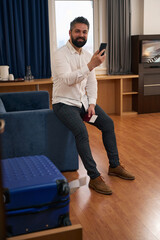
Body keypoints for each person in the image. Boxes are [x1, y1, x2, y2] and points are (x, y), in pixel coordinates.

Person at [52, 16, 135, 195]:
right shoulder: (60, 54)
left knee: (108, 124)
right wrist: (91, 65)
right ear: (70, 33)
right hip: (64, 104)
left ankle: (114, 165)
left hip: (83, 105)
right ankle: (94, 177)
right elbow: (67, 80)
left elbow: (91, 82)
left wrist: (91, 104)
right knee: (81, 132)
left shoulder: (88, 55)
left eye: (84, 32)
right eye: (77, 31)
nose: (81, 35)